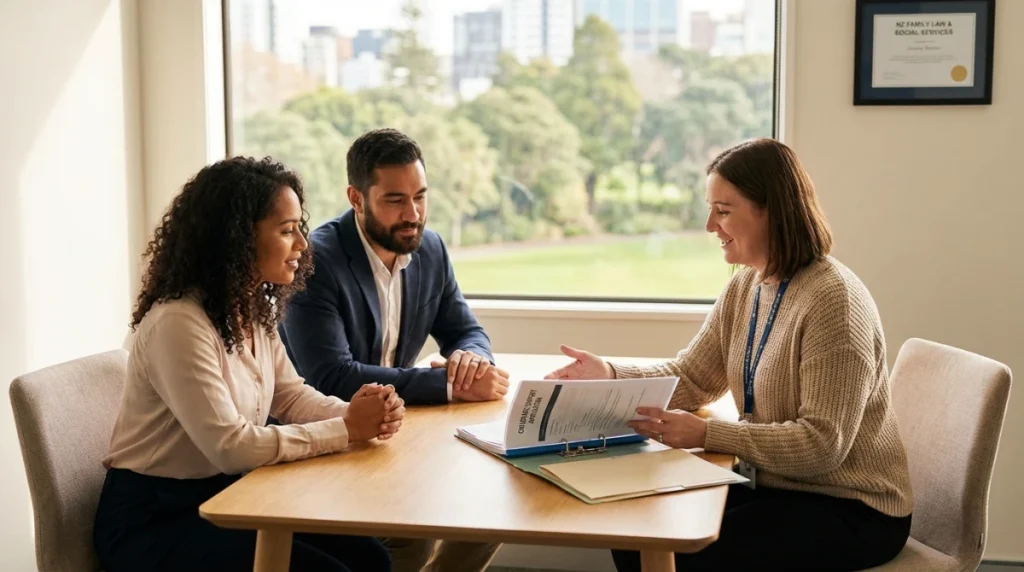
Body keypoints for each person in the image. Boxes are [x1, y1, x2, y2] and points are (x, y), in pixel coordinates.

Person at [545, 138, 913, 571]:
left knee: (681, 555)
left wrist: (705, 436)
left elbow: (822, 444)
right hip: (777, 483)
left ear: (772, 210)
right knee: (635, 529)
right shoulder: (748, 284)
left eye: (723, 211)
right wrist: (608, 372)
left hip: (850, 506)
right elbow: (693, 376)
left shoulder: (835, 302)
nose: (708, 226)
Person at [94, 157, 405, 572]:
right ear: (238, 238)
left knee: (370, 558)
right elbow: (232, 448)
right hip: (154, 521)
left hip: (228, 495)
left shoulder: (251, 307)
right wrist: (347, 428)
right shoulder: (178, 324)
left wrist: (358, 413)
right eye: (286, 230)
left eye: (300, 228)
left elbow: (290, 394)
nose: (302, 245)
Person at [279, 128, 503, 571]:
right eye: (395, 200)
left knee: (492, 507)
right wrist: (450, 387)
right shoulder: (317, 262)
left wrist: (472, 360)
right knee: (411, 538)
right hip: (326, 434)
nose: (413, 214)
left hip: (394, 433)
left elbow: (466, 330)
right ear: (356, 198)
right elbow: (332, 376)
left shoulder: (431, 249)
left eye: (420, 196)